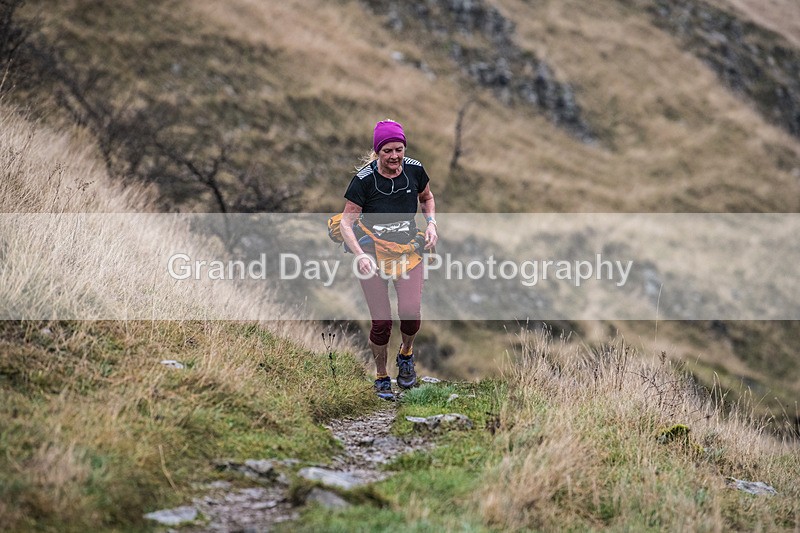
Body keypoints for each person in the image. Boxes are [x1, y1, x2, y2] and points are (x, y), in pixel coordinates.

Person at [339, 119, 438, 400]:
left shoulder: (415, 170)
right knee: (381, 322)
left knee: (410, 311)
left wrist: (431, 225)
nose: (395, 156)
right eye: (388, 151)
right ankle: (381, 375)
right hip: (371, 254)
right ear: (377, 152)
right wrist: (360, 256)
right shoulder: (363, 180)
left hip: (407, 251)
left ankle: (406, 355)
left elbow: (427, 198)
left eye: (399, 149)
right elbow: (347, 224)